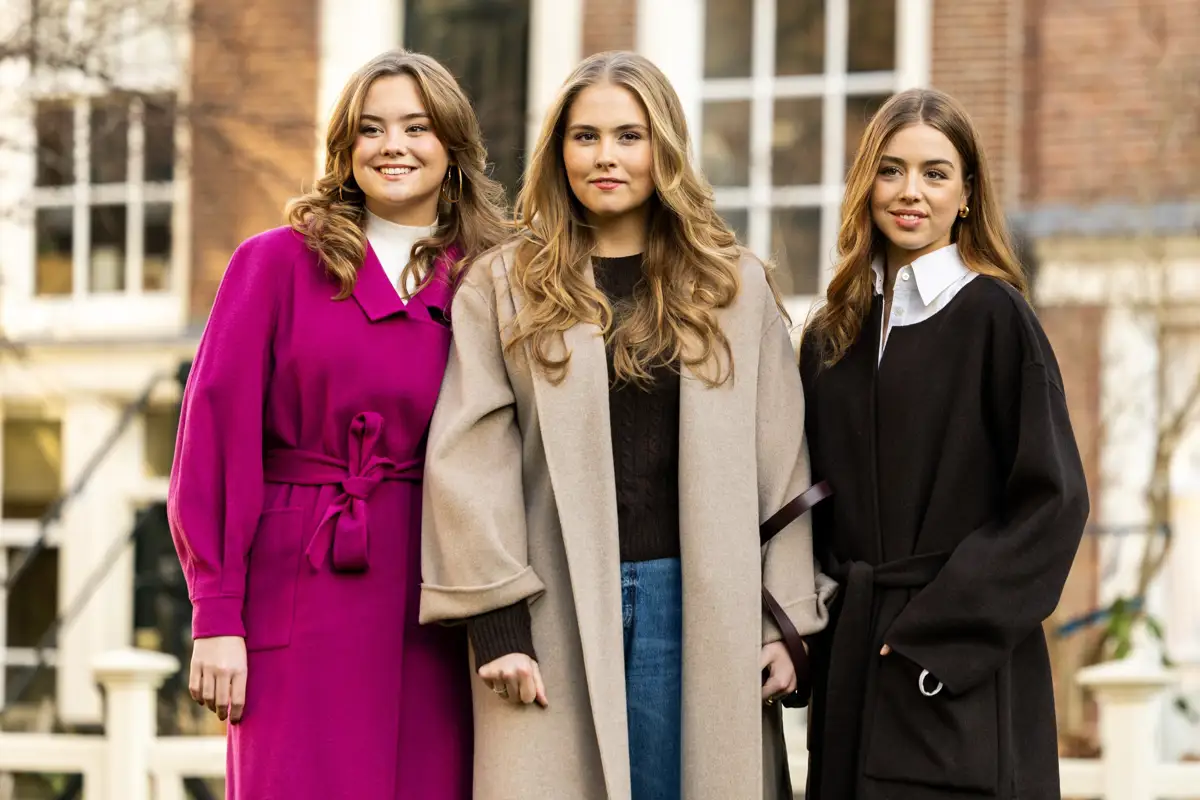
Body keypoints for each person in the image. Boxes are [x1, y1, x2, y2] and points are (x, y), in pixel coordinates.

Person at [418, 50, 833, 800]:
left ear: (663, 149)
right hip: (556, 605)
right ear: (558, 152)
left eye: (628, 136)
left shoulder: (732, 286)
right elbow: (470, 460)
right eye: (585, 137)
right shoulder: (504, 287)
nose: (605, 157)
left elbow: (784, 464)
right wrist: (498, 626)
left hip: (700, 603)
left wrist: (784, 622)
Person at [166, 50, 509, 798]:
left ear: (450, 147)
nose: (394, 146)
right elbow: (214, 441)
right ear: (345, 150)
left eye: (417, 127)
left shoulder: (495, 276)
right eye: (372, 129)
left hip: (441, 601)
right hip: (298, 590)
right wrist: (216, 614)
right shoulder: (274, 265)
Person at [798, 87, 1089, 800]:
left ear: (966, 195)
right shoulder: (830, 335)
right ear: (866, 185)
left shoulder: (997, 317)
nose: (910, 193)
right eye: (891, 170)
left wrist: (934, 632)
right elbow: (797, 495)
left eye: (934, 173)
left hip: (956, 668)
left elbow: (1052, 503)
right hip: (853, 659)